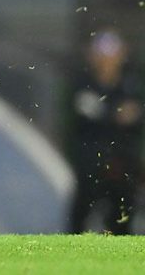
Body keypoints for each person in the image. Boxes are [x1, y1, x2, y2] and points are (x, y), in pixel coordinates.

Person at [68, 29, 141, 235]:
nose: (107, 60)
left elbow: (133, 116)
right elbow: (88, 112)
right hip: (91, 164)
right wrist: (116, 114)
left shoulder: (131, 85)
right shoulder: (83, 84)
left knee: (122, 219)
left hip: (123, 164)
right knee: (81, 216)